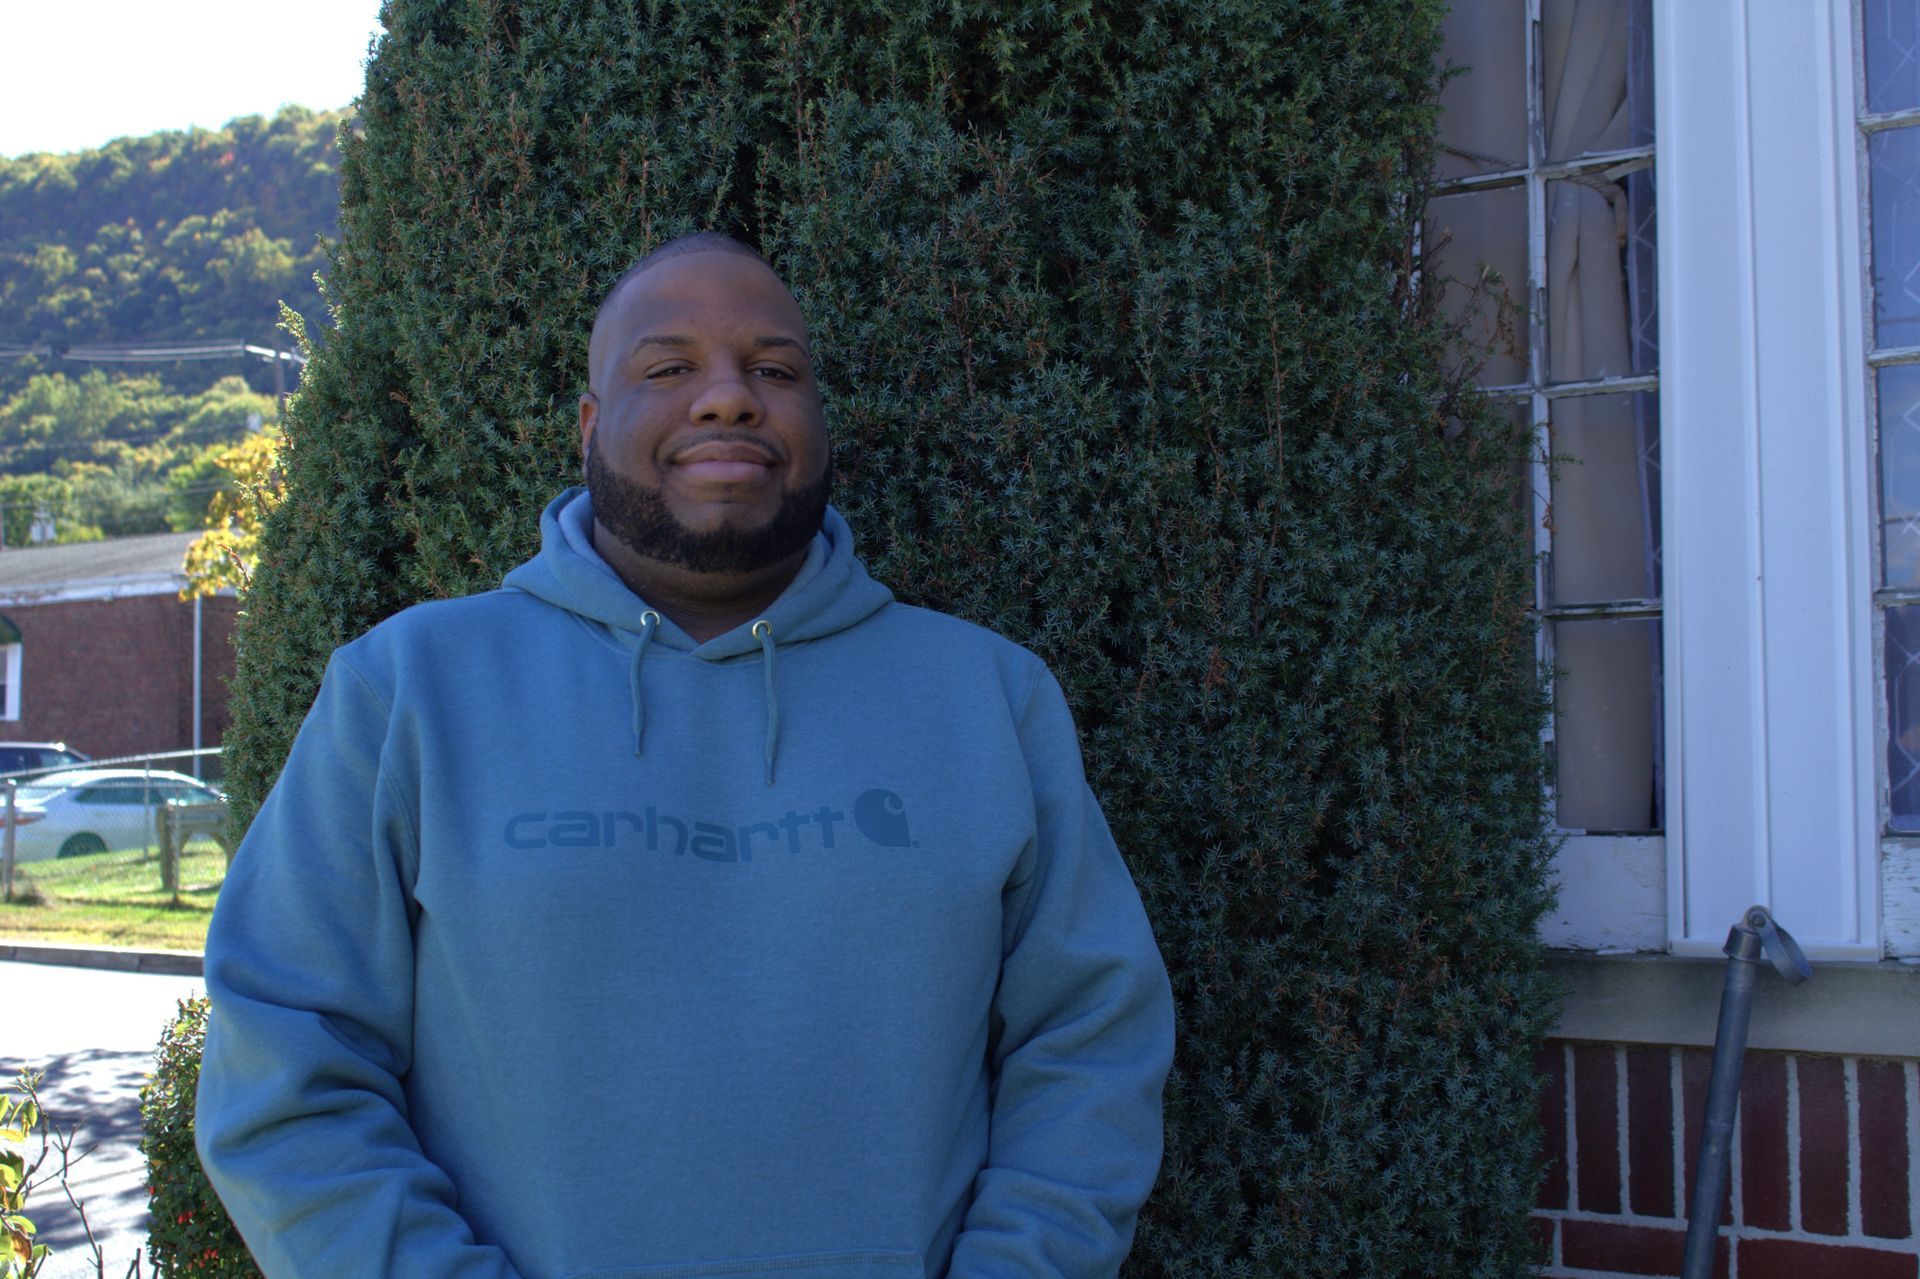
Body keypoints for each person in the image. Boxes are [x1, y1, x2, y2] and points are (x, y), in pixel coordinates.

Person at [195, 232, 1176, 1279]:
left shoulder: (989, 697)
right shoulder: (408, 689)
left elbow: (1089, 1045)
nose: (728, 399)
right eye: (669, 369)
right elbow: (286, 1067)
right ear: (588, 428)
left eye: (775, 370)